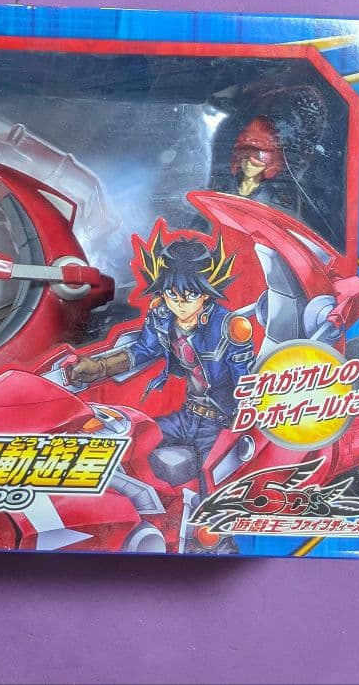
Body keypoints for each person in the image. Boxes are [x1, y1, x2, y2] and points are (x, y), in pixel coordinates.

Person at [66, 230, 254, 490]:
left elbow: (247, 384)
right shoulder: (162, 316)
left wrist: (242, 429)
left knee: (211, 488)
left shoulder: (230, 327)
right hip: (187, 416)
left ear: (206, 293)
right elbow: (142, 351)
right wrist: (99, 367)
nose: (180, 303)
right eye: (171, 294)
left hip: (220, 424)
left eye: (190, 295)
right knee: (132, 441)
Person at [225, 115, 287, 204]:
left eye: (257, 157)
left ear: (271, 161)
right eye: (245, 154)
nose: (249, 162)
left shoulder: (273, 199)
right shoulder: (223, 183)